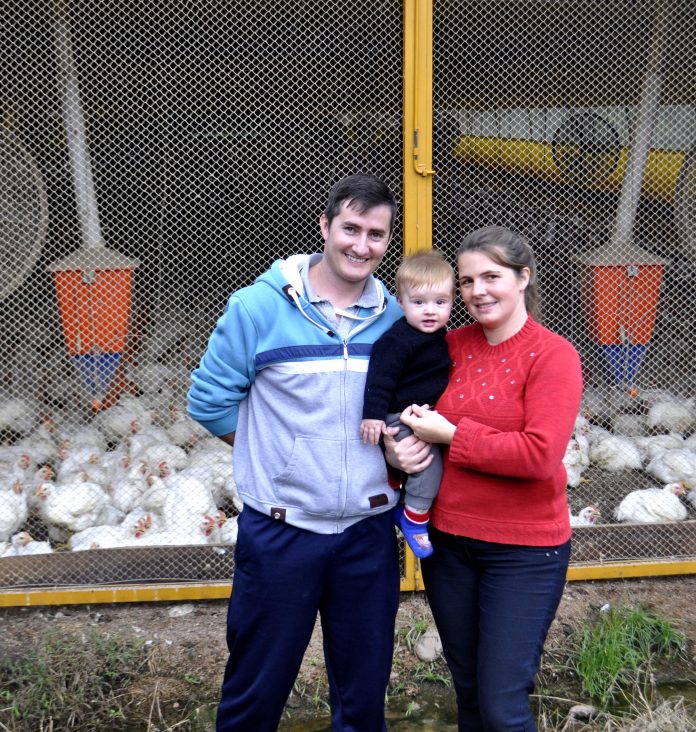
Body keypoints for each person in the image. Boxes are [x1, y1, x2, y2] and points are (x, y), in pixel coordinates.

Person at [187, 174, 405, 732]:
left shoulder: (396, 319)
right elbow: (209, 401)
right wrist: (280, 455)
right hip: (281, 531)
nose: (361, 245)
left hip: (368, 533)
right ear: (325, 227)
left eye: (376, 234)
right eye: (350, 228)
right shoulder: (257, 308)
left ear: (387, 240)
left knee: (362, 701)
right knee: (255, 696)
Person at [396, 225, 583, 731]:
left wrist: (453, 435)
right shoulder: (448, 345)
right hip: (449, 545)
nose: (477, 291)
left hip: (523, 553)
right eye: (466, 281)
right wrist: (399, 447)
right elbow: (406, 410)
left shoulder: (554, 355)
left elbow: (539, 455)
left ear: (523, 278)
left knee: (503, 707)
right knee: (470, 694)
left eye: (491, 277)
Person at [360, 249, 454, 558]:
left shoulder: (441, 337)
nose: (430, 311)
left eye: (440, 302)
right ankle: (414, 517)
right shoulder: (397, 340)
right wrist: (373, 416)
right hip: (399, 416)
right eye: (419, 302)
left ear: (452, 301)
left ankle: (406, 499)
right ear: (401, 302)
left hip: (422, 415)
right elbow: (380, 378)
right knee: (428, 464)